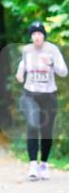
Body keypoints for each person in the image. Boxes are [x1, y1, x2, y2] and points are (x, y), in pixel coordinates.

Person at [16, 21, 67, 180]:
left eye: (40, 34)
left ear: (44, 35)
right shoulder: (27, 50)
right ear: (31, 36)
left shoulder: (52, 50)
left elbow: (63, 72)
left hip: (49, 95)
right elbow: (23, 63)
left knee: (46, 131)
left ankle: (43, 164)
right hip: (30, 93)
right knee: (32, 124)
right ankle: (32, 164)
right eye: (34, 34)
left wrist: (51, 63)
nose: (37, 37)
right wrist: (20, 72)